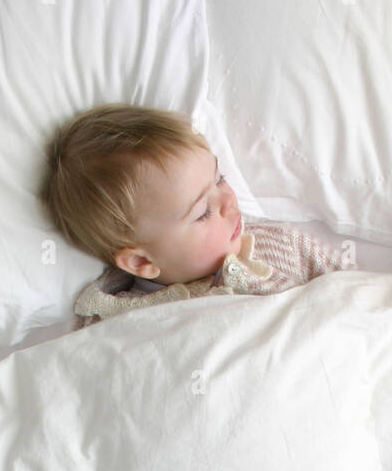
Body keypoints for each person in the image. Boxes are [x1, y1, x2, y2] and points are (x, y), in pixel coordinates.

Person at [38, 103, 357, 327]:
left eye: (219, 179)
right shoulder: (111, 317)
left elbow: (356, 293)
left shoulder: (279, 246)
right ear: (141, 263)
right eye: (203, 212)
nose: (229, 202)